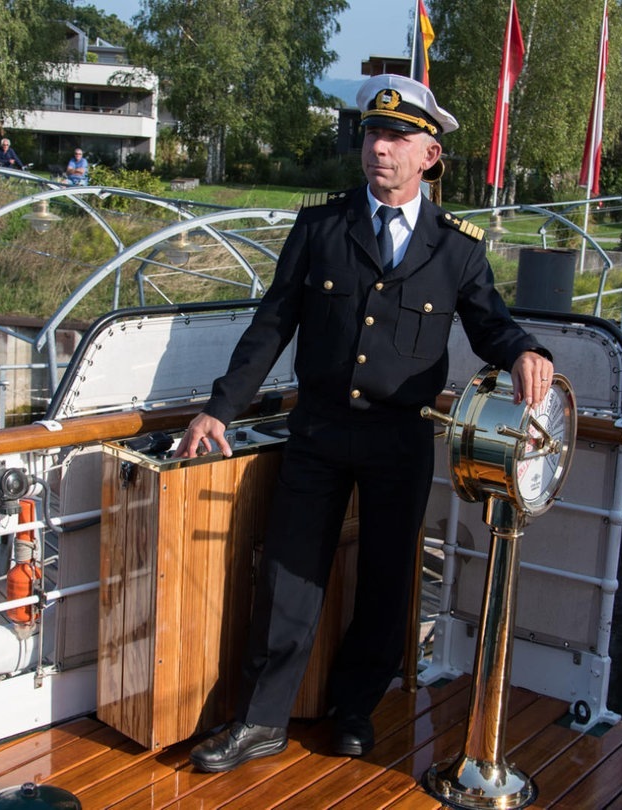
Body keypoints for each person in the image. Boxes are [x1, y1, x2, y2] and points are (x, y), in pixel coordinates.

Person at [174, 74, 555, 773]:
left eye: (398, 137)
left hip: (399, 438)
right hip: (318, 432)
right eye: (374, 134)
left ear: (429, 156)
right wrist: (219, 406)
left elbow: (490, 324)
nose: (380, 147)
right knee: (289, 579)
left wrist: (527, 351)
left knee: (385, 582)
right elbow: (272, 324)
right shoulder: (322, 226)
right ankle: (260, 721)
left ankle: (353, 709)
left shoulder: (458, 248)